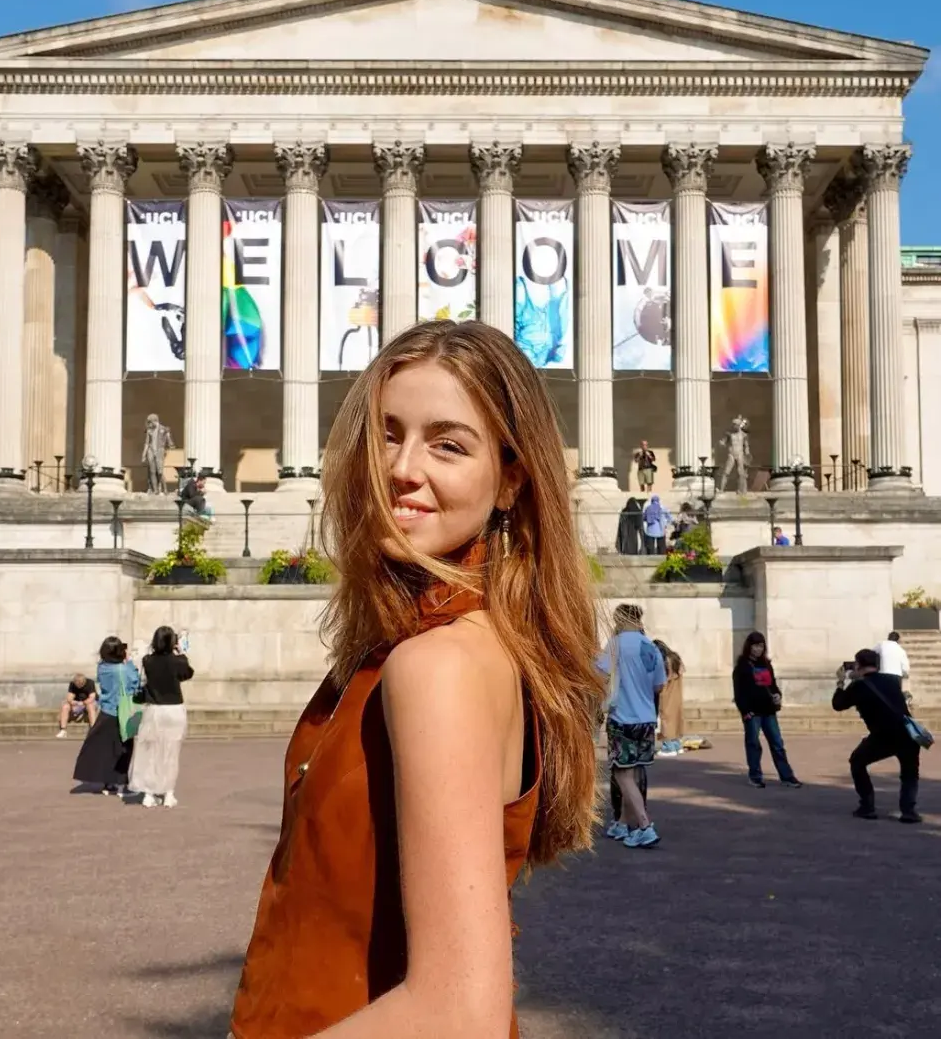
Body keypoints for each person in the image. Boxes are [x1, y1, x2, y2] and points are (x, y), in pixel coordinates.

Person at [230, 320, 603, 1039]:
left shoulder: (438, 666)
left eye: (448, 444)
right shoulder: (458, 645)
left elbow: (459, 1015)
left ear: (511, 481)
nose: (402, 467)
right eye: (387, 433)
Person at [597, 603, 666, 848]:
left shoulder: (616, 644)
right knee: (634, 771)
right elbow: (659, 686)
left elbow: (601, 675)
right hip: (646, 716)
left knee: (622, 773)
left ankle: (645, 825)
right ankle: (624, 823)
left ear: (619, 619)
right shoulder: (651, 647)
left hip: (622, 716)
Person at [832, 648, 921, 822]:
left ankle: (867, 806)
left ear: (858, 665)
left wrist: (841, 682)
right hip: (907, 733)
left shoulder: (858, 686)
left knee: (857, 762)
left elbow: (838, 704)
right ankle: (908, 811)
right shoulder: (891, 680)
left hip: (883, 735)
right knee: (909, 772)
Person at [128, 626, 194, 809]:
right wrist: (181, 654)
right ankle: (168, 793)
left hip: (154, 709)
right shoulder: (177, 661)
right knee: (171, 753)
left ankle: (148, 794)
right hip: (174, 709)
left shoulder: (148, 660)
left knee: (150, 752)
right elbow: (187, 674)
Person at [732, 632, 803, 788]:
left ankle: (787, 776)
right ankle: (755, 776)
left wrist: (778, 695)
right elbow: (739, 692)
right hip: (752, 711)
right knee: (753, 744)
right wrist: (745, 710)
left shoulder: (766, 664)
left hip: (768, 710)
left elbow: (773, 685)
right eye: (755, 646)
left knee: (777, 744)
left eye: (761, 646)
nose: (758, 649)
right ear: (749, 646)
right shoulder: (742, 666)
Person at [72, 637, 142, 796]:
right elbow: (134, 683)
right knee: (124, 749)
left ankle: (108, 783)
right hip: (123, 712)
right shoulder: (122, 669)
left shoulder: (102, 667)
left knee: (107, 750)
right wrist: (129, 662)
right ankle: (122, 784)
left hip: (106, 711)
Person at [654, 640, 685, 756]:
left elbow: (661, 680)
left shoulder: (665, 662)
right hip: (677, 693)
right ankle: (677, 745)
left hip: (667, 694)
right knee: (676, 719)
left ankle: (669, 747)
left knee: (666, 718)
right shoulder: (676, 658)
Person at [56, 673, 98, 738]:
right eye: (77, 684)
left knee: (90, 706)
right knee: (65, 706)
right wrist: (74, 702)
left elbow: (92, 698)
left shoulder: (90, 683)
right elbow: (69, 698)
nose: (78, 686)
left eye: (80, 684)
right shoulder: (72, 684)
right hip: (77, 703)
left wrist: (83, 703)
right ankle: (63, 730)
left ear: (84, 681)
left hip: (89, 702)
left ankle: (93, 730)